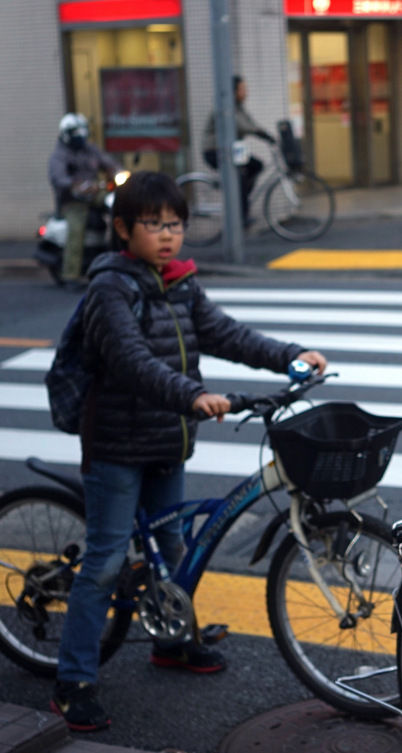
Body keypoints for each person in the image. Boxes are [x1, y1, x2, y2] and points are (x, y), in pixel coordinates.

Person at [50, 171, 327, 732]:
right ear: (123, 228)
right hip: (116, 445)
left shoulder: (178, 282)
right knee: (104, 560)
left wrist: (291, 355)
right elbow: (131, 361)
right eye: (154, 224)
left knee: (173, 547)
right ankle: (72, 679)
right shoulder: (110, 286)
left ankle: (171, 643)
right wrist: (194, 395)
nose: (168, 234)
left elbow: (227, 335)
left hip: (167, 440)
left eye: (175, 224)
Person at [47, 113, 123, 290]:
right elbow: (58, 178)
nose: (80, 135)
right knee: (77, 229)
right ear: (66, 133)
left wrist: (118, 172)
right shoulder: (59, 155)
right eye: (75, 132)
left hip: (95, 192)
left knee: (120, 205)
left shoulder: (91, 149)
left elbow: (108, 163)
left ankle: (118, 253)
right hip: (73, 200)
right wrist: (75, 185)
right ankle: (70, 275)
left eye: (82, 130)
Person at [202, 75, 276, 224]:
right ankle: (241, 216)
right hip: (215, 150)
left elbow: (251, 123)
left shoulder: (239, 106)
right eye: (243, 89)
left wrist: (268, 136)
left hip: (232, 151)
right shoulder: (226, 106)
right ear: (233, 91)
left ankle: (237, 197)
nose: (246, 92)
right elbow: (242, 125)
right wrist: (260, 134)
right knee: (239, 178)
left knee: (257, 165)